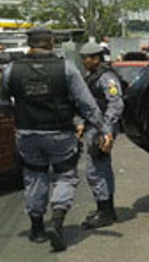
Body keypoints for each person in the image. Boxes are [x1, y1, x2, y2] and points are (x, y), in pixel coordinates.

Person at [0, 27, 111, 252]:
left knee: (34, 177)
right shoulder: (66, 68)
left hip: (27, 133)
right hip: (60, 133)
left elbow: (3, 104)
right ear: (50, 42)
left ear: (30, 43)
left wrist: (20, 116)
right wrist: (103, 128)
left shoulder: (10, 70)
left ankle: (38, 228)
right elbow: (87, 103)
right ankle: (57, 222)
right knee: (65, 177)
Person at [77, 43, 124, 229]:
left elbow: (116, 104)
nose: (83, 62)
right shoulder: (93, 76)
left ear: (95, 58)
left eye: (86, 58)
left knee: (95, 171)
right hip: (95, 126)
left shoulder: (106, 77)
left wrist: (106, 129)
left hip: (101, 128)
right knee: (103, 168)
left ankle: (104, 212)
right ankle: (106, 210)